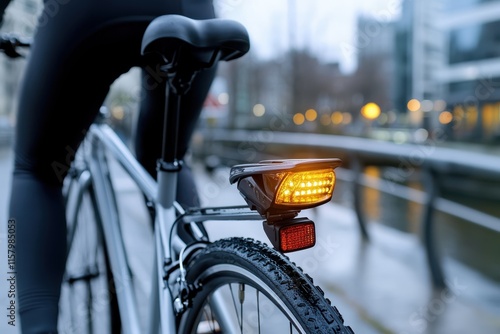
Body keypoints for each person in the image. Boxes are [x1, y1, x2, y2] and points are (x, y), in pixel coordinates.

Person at [1, 0, 217, 333]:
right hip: (190, 8)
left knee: (37, 170)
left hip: (85, 13)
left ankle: (34, 324)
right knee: (167, 160)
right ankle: (204, 312)